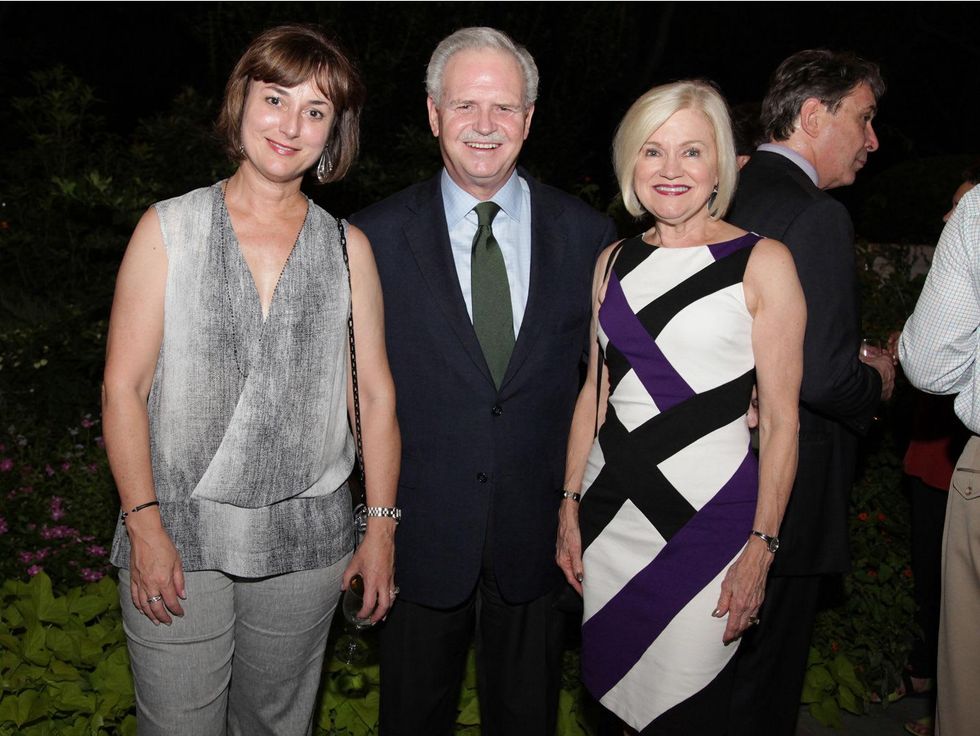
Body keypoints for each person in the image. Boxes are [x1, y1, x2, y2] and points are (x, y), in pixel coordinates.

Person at [102, 24, 400, 735]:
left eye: (316, 110)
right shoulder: (167, 228)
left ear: (334, 134)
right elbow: (122, 389)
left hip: (307, 540)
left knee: (275, 726)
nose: (291, 125)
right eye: (276, 98)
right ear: (242, 104)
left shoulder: (348, 248)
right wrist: (145, 526)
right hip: (178, 529)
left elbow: (375, 396)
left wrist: (381, 529)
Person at [351, 26, 617, 736]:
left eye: (503, 108)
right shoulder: (370, 238)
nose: (484, 126)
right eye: (465, 105)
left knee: (528, 719)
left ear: (529, 119)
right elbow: (351, 393)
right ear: (433, 114)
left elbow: (611, 377)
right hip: (418, 537)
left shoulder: (589, 236)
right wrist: (372, 526)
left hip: (540, 537)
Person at [556, 79, 806, 734]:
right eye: (653, 151)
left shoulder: (763, 263)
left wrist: (763, 544)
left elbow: (781, 422)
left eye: (691, 152)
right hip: (610, 520)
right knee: (609, 710)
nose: (670, 171)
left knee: (689, 713)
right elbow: (596, 393)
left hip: (712, 531)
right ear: (631, 164)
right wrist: (568, 502)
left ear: (720, 163)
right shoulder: (611, 260)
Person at [723, 49, 896, 735]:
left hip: (706, 475)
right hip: (784, 495)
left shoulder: (720, 189)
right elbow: (821, 375)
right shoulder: (815, 215)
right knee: (764, 690)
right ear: (814, 114)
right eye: (865, 117)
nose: (874, 140)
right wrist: (875, 382)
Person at [896, 165, 980, 736]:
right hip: (936, 457)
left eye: (959, 205)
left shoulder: (975, 223)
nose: (950, 215)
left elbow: (929, 364)